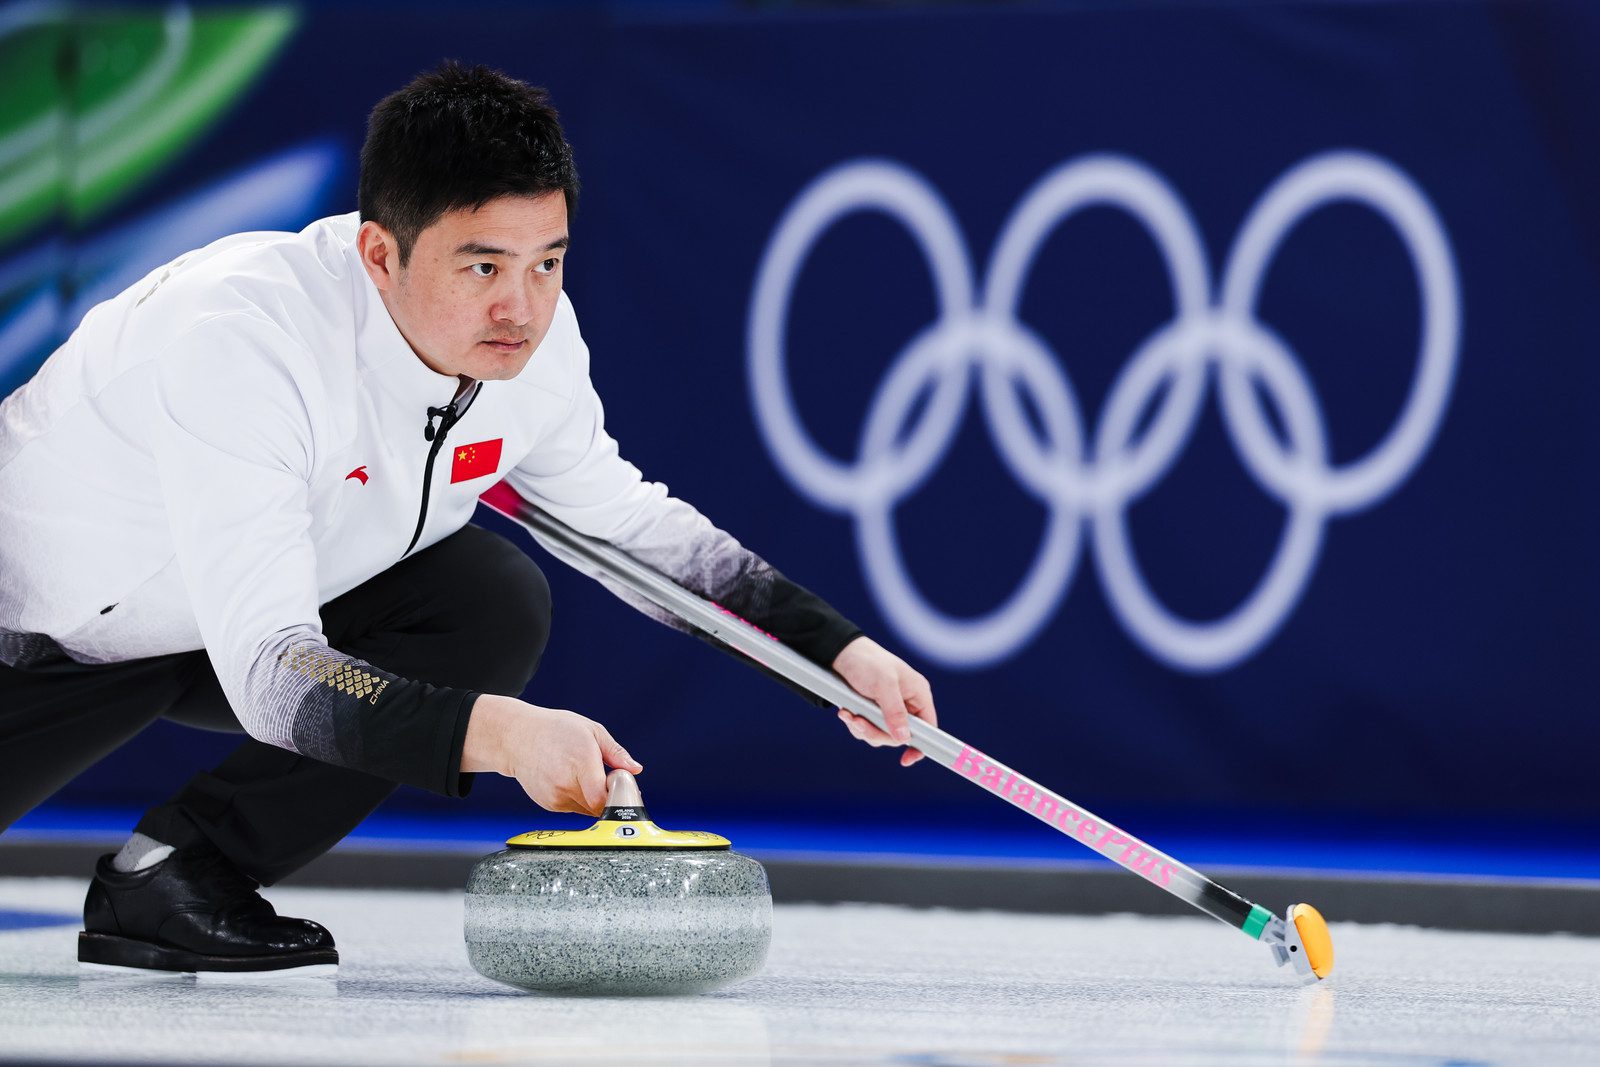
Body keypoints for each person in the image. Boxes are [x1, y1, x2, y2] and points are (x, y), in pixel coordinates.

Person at [0, 62, 937, 975]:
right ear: (380, 253)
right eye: (482, 263)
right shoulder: (245, 343)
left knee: (484, 597)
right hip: (39, 639)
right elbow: (270, 680)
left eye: (547, 262)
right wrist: (500, 735)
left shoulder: (532, 337)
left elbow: (625, 529)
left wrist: (832, 656)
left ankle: (177, 875)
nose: (520, 307)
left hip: (208, 621)